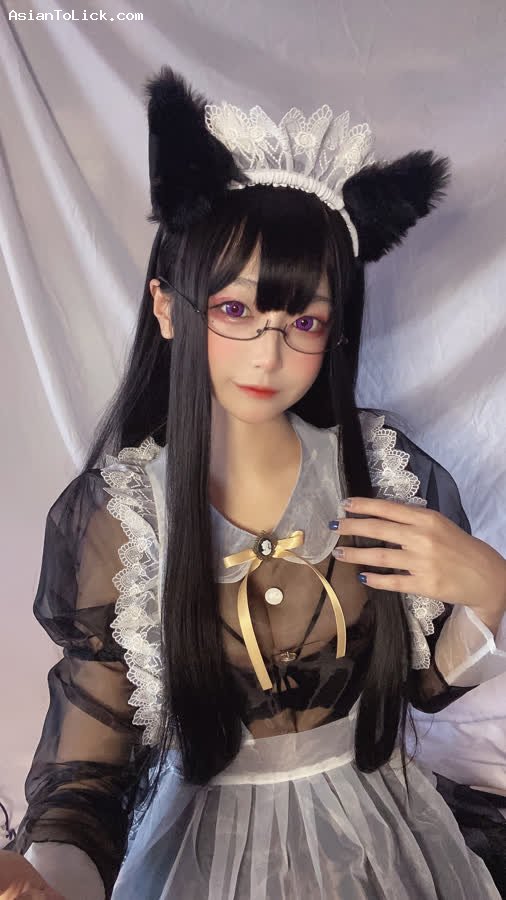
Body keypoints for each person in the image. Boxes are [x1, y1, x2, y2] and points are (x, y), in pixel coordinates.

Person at [6, 67, 506, 899]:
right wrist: (45, 879)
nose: (269, 356)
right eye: (235, 311)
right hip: (202, 858)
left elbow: (423, 685)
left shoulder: (382, 473)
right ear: (169, 307)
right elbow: (87, 778)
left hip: (386, 840)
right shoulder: (122, 520)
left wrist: (489, 591)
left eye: (303, 321)